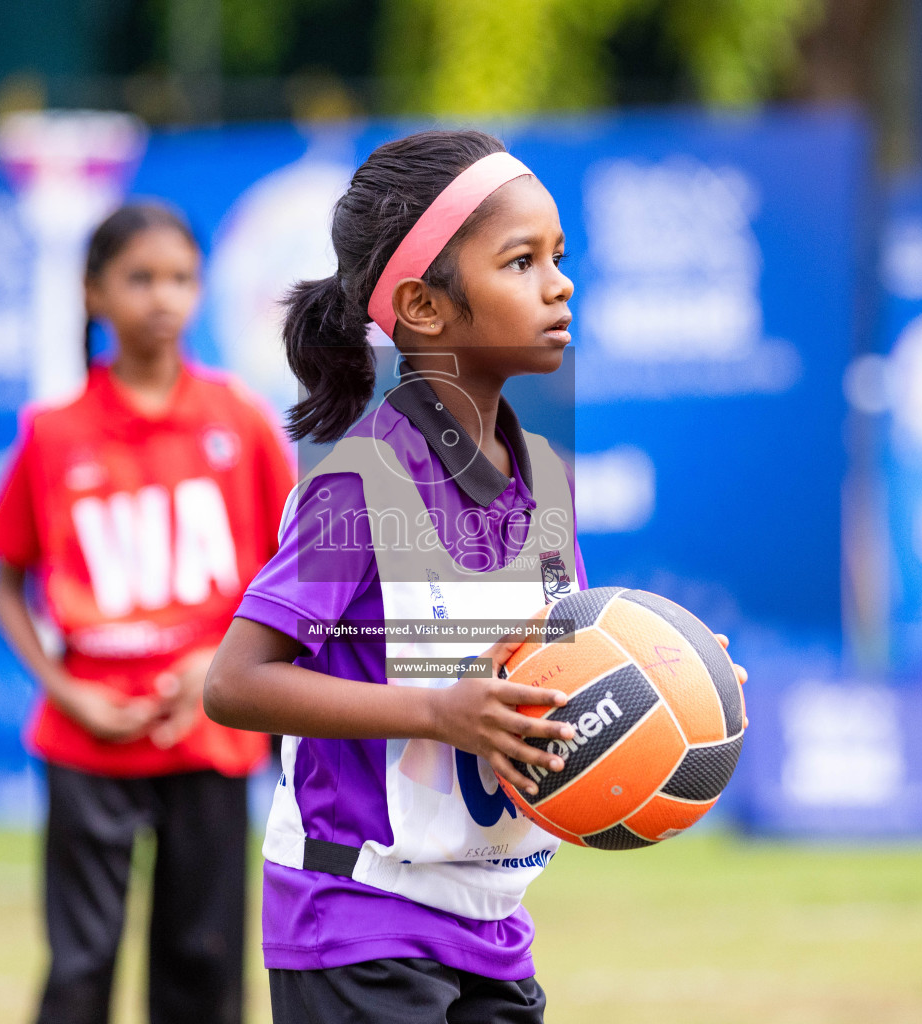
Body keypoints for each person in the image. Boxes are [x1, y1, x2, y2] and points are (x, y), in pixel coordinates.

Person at [205, 129, 744, 1023]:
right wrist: (435, 710)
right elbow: (234, 684)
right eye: (522, 261)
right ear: (422, 306)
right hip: (356, 921)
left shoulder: (548, 478)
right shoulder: (359, 482)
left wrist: (670, 675)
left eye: (559, 258)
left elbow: (549, 668)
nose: (560, 284)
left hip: (491, 922)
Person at [0, 201, 296, 1024]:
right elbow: (6, 583)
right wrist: (61, 687)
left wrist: (219, 665)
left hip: (211, 731)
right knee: (80, 963)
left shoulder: (240, 421)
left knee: (203, 961)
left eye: (181, 279)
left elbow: (291, 573)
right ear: (92, 294)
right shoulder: (53, 433)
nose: (163, 298)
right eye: (139, 278)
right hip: (89, 734)